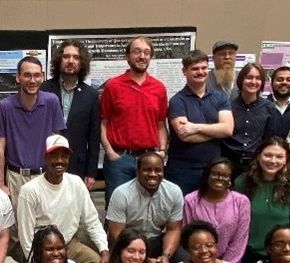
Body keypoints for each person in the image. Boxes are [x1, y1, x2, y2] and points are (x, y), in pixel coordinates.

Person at [18, 134, 109, 263]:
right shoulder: (30, 190)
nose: (59, 161)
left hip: (70, 245)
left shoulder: (76, 183)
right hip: (44, 250)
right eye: (54, 156)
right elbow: (26, 236)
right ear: (45, 158)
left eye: (64, 156)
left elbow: (92, 221)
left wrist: (104, 250)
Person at [99, 36, 169, 207]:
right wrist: (109, 151)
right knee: (116, 210)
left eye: (146, 52)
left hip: (149, 159)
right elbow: (103, 123)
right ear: (127, 56)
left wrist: (162, 151)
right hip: (119, 160)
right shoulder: (113, 86)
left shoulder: (158, 88)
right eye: (137, 51)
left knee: (148, 208)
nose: (142, 56)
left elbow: (161, 124)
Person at [0, 56, 65, 204]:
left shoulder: (52, 102)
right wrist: (0, 184)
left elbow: (57, 145)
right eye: (27, 75)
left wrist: (57, 178)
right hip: (15, 177)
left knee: (46, 224)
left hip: (45, 175)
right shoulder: (5, 107)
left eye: (37, 75)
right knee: (19, 225)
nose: (32, 80)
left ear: (42, 77)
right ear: (18, 78)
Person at [167, 49, 233, 195]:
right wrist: (217, 131)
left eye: (204, 68)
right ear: (184, 71)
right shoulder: (177, 101)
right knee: (183, 214)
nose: (200, 72)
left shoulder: (220, 97)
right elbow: (186, 136)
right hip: (183, 171)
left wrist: (196, 127)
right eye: (195, 69)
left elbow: (228, 130)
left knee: (210, 213)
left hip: (213, 169)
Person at [235, 137, 290, 263]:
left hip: (279, 257)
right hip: (244, 254)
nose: (273, 161)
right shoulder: (242, 182)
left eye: (279, 157)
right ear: (258, 156)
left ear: (286, 160)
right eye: (268, 155)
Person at [41, 40, 101, 190]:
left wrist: (91, 172)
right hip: (46, 161)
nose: (71, 61)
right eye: (66, 56)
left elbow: (94, 136)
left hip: (77, 165)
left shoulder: (91, 95)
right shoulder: (44, 89)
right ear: (58, 60)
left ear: (82, 63)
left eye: (76, 57)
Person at [107, 151, 185, 263]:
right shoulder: (122, 193)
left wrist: (165, 255)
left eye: (158, 170)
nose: (153, 174)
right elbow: (117, 235)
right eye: (147, 170)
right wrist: (141, 258)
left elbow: (174, 230)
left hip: (156, 240)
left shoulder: (174, 192)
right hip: (126, 242)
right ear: (137, 172)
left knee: (185, 261)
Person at [183, 158, 250, 263]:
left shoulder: (241, 202)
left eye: (225, 176)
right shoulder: (191, 200)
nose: (220, 178)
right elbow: (188, 236)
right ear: (206, 177)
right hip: (198, 262)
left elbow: (240, 239)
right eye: (215, 174)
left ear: (231, 180)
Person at [222, 62, 276, 176]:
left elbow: (269, 140)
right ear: (241, 80)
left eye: (258, 78)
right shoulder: (227, 107)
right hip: (230, 164)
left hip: (256, 166)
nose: (253, 82)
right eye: (249, 77)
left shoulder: (269, 108)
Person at [266, 66, 290, 139]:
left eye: (289, 80)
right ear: (272, 83)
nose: (284, 82)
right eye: (280, 79)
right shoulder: (263, 106)